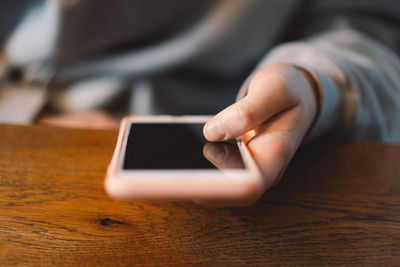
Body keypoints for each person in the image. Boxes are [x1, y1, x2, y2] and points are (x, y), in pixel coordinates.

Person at [1, 0, 399, 205]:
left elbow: (363, 27)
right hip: (46, 116)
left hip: (250, 111)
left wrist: (314, 82)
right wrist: (26, 111)